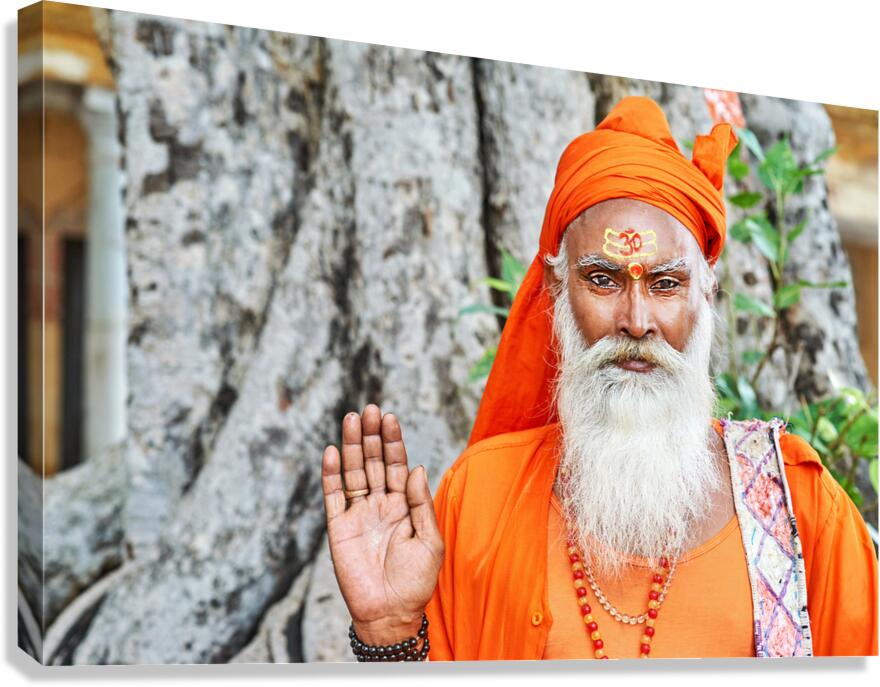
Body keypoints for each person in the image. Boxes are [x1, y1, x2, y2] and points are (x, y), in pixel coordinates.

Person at [320, 96, 878, 661]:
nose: (636, 321)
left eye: (665, 284)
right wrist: (388, 631)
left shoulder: (801, 506)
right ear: (558, 292)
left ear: (706, 292)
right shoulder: (481, 496)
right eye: (604, 280)